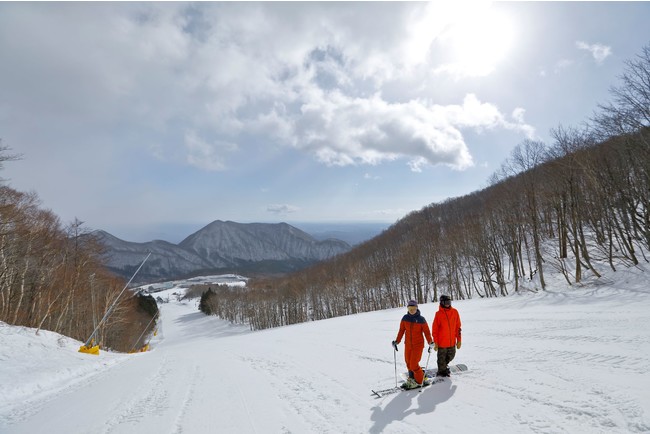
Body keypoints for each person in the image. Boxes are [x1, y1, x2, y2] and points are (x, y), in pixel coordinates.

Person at [392, 300, 434, 389]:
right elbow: (401, 331)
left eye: (414, 308)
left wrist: (430, 342)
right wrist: (397, 341)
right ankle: (411, 380)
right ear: (407, 308)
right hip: (408, 344)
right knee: (408, 363)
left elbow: (426, 332)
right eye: (410, 308)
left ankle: (420, 381)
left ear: (417, 308)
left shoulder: (421, 319)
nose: (412, 310)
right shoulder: (405, 318)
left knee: (414, 364)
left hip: (418, 345)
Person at [431, 294, 462, 377]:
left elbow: (458, 327)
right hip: (442, 343)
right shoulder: (438, 314)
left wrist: (459, 340)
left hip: (452, 341)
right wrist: (436, 342)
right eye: (446, 302)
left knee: (451, 356)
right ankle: (442, 371)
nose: (448, 304)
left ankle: (444, 366)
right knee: (441, 359)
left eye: (449, 301)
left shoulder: (455, 312)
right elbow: (435, 330)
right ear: (441, 303)